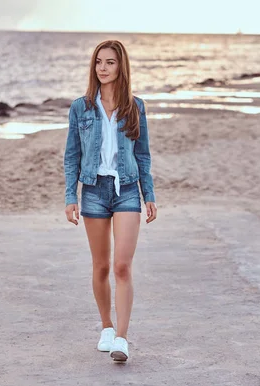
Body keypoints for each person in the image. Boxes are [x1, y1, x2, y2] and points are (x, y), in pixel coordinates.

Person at [63, 40, 157, 363]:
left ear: (121, 67)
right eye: (99, 62)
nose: (103, 68)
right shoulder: (81, 108)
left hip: (127, 189)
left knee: (121, 266)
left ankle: (122, 338)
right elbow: (71, 156)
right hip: (93, 191)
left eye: (110, 63)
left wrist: (149, 195)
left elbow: (142, 155)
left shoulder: (136, 107)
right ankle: (106, 326)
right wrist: (69, 197)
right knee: (101, 265)